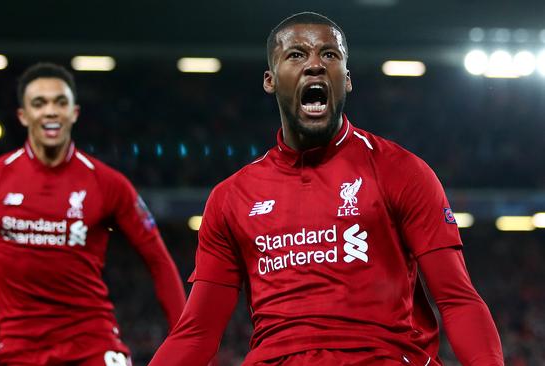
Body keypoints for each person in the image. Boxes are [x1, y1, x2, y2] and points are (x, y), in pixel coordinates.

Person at [149, 12, 503, 366]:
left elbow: (457, 300)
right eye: (296, 54)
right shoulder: (232, 197)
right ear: (270, 80)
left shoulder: (401, 171)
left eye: (329, 55)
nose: (315, 65)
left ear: (346, 80)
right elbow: (196, 334)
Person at [0, 62, 186, 366]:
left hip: (93, 345)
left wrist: (187, 342)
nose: (51, 111)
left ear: (74, 113)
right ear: (23, 116)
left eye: (60, 102)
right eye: (39, 103)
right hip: (20, 352)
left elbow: (158, 261)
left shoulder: (109, 184)